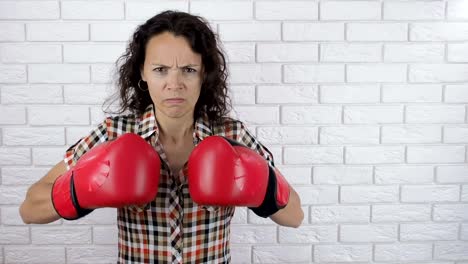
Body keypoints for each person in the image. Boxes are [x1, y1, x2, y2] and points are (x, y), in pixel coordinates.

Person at [19, 10, 304, 263]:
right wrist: (80, 189)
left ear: (204, 74)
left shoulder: (232, 135)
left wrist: (261, 186)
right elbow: (29, 209)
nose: (174, 84)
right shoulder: (114, 134)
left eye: (188, 70)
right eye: (160, 70)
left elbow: (295, 216)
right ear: (142, 72)